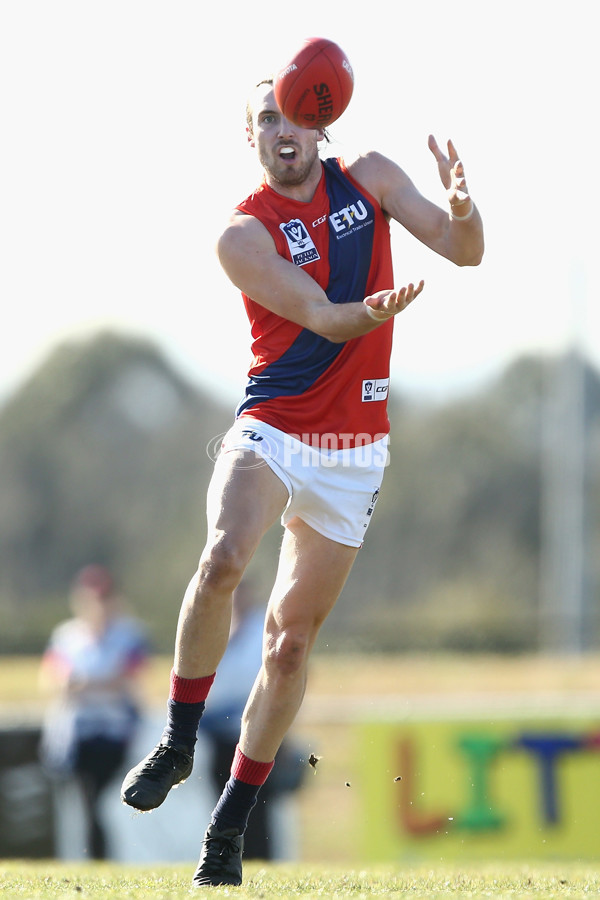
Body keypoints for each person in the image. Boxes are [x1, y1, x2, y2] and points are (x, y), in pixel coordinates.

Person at [121, 74, 484, 886]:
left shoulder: (374, 177)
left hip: (357, 448)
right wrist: (373, 310)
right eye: (263, 120)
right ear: (249, 137)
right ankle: (180, 739)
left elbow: (467, 251)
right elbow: (323, 314)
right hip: (275, 426)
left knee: (289, 645)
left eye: (293, 116)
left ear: (321, 122)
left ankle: (229, 826)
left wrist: (462, 209)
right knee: (221, 558)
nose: (280, 131)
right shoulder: (241, 235)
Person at [40, 564, 149, 859]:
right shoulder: (67, 636)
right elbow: (56, 679)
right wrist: (99, 682)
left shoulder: (129, 634)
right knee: (87, 801)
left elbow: (129, 677)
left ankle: (104, 857)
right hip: (78, 731)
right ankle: (96, 859)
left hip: (116, 731)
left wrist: (86, 683)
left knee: (106, 801)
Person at [198, 579, 305, 860]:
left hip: (258, 733)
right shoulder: (213, 626)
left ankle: (260, 861)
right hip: (218, 735)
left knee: (257, 807)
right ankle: (223, 859)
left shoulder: (265, 628)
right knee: (220, 802)